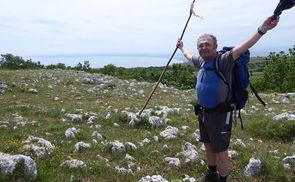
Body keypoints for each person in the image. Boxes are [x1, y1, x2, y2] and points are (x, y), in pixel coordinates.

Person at [177, 16, 279, 182]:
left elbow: (241, 47)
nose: (203, 48)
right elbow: (189, 55)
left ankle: (223, 179)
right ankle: (212, 174)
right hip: (204, 113)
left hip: (220, 113)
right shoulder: (202, 62)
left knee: (221, 150)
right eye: (200, 45)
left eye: (207, 44)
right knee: (208, 144)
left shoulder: (223, 61)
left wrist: (262, 30)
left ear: (215, 47)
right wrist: (182, 47)